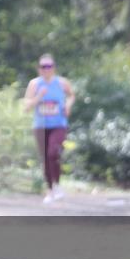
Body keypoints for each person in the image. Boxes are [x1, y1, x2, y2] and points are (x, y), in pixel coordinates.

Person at [24, 54, 74, 203]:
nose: (46, 69)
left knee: (54, 153)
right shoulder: (34, 84)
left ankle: (57, 185)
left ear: (54, 68)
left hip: (59, 124)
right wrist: (39, 96)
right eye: (43, 66)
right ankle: (50, 190)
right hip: (40, 126)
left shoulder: (62, 83)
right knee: (45, 158)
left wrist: (68, 105)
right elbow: (26, 107)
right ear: (39, 69)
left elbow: (71, 95)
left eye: (49, 66)